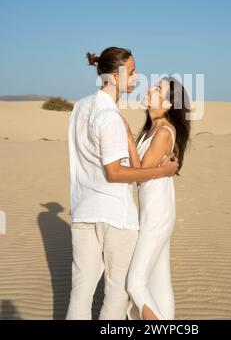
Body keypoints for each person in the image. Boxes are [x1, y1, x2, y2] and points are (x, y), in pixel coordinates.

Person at [65, 47, 179, 320]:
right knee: (118, 292)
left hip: (83, 211)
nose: (138, 78)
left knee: (81, 292)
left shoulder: (79, 108)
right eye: (132, 71)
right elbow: (115, 172)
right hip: (115, 216)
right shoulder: (111, 117)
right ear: (115, 76)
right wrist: (161, 172)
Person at [125, 77, 191, 320]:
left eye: (158, 89)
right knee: (159, 282)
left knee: (135, 282)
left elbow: (140, 173)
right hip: (152, 211)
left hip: (157, 213)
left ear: (169, 104)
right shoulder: (152, 129)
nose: (150, 90)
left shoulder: (164, 131)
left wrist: (126, 136)